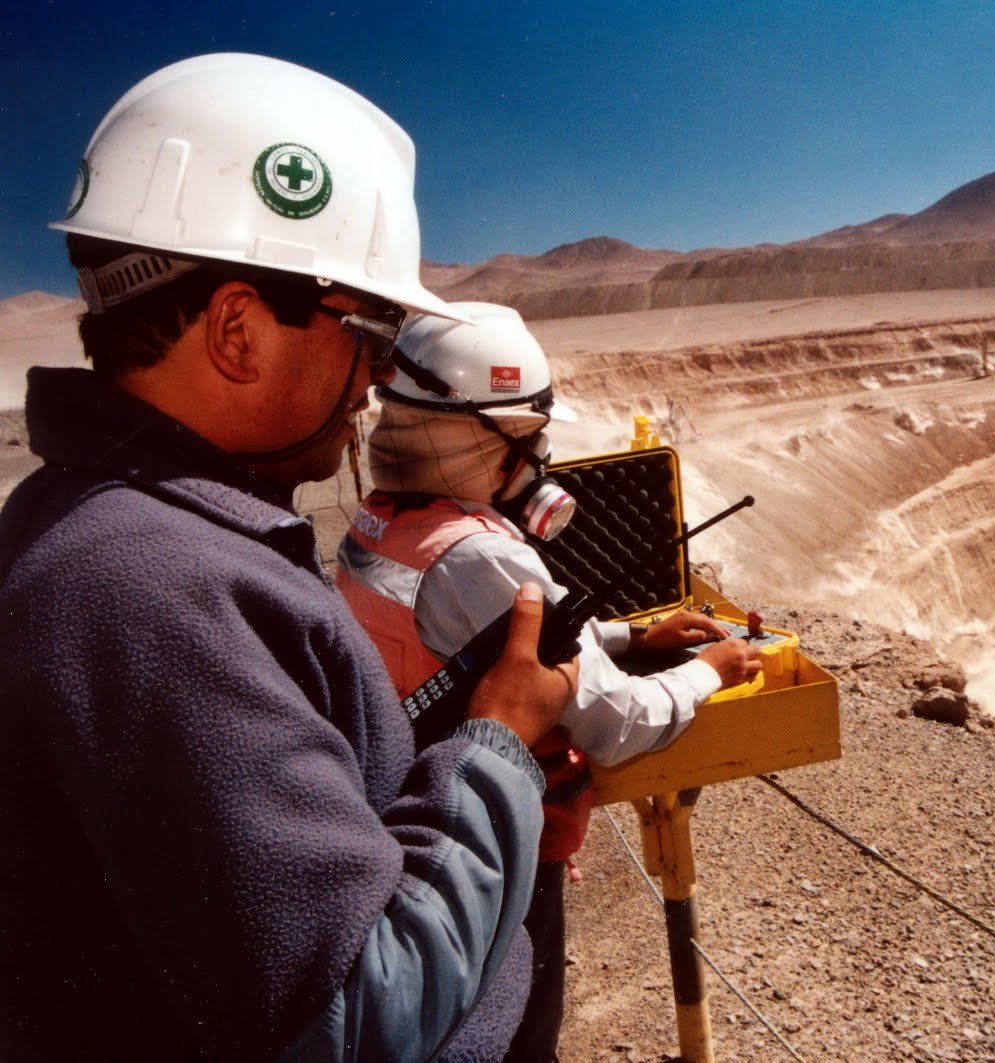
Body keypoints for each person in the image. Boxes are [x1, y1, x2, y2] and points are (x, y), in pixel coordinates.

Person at [0, 54, 575, 1061]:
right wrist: (497, 750)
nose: (374, 382)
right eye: (369, 328)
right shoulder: (149, 591)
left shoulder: (131, 533)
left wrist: (460, 756)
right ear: (234, 330)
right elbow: (361, 1018)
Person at [335, 300, 763, 1060]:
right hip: (493, 848)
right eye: (528, 440)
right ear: (478, 437)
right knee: (520, 1034)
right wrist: (709, 670)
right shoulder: (480, 555)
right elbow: (618, 721)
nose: (537, 463)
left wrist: (634, 633)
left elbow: (498, 646)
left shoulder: (383, 523)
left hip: (416, 806)